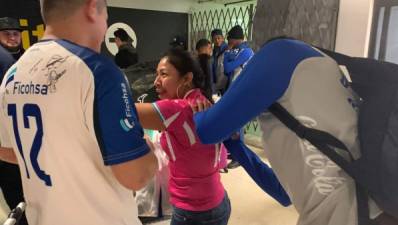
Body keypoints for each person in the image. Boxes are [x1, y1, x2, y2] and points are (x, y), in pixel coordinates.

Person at [194, 38, 384, 225]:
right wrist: (237, 147)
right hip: (377, 207)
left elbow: (208, 130)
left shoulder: (278, 54)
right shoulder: (323, 62)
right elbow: (283, 193)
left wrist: (196, 112)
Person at [0, 1, 158, 225]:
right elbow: (136, 176)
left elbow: (7, 150)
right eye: (107, 17)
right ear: (93, 8)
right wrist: (150, 153)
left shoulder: (14, 72)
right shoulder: (97, 71)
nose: (105, 30)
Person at [134, 48, 231, 225]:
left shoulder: (175, 109)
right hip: (218, 201)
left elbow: (120, 112)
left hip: (193, 212)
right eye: (156, 75)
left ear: (187, 78)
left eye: (163, 74)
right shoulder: (204, 100)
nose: (156, 81)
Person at [0, 19, 28, 225]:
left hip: (26, 138)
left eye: (15, 33)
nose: (12, 37)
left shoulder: (28, 58)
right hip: (7, 138)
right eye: (6, 33)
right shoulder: (3, 60)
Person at [210, 29, 228, 94]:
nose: (217, 40)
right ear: (212, 40)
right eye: (215, 39)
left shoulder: (227, 50)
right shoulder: (213, 51)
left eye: (219, 38)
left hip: (225, 83)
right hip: (216, 82)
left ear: (222, 38)